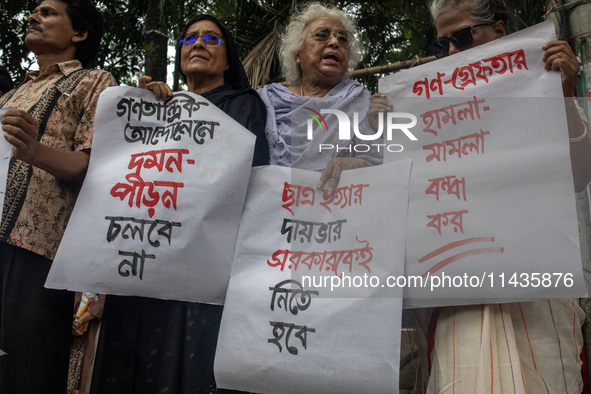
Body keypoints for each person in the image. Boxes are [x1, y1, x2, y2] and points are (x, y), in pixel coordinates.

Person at [413, 0, 591, 392]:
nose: (453, 53)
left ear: (498, 30)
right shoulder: (430, 107)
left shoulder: (542, 83)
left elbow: (578, 176)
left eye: (461, 37)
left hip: (537, 295)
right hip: (463, 295)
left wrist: (562, 94)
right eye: (443, 46)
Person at [91, 14, 269, 394]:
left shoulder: (243, 104)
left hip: (199, 265)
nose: (199, 44)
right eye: (189, 39)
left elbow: (251, 177)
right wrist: (138, 108)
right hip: (142, 259)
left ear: (228, 57)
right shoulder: (155, 106)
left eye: (211, 38)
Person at [0, 0, 116, 392]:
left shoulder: (96, 82)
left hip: (39, 249)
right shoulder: (16, 91)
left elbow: (90, 166)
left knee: (26, 369)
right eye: (33, 11)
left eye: (48, 12)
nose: (34, 16)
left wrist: (33, 151)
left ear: (79, 34)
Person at [258, 2, 383, 195]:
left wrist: (361, 165)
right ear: (297, 54)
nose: (334, 42)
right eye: (321, 35)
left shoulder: (361, 100)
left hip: (339, 214)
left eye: (343, 39)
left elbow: (384, 168)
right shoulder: (266, 101)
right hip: (270, 212)